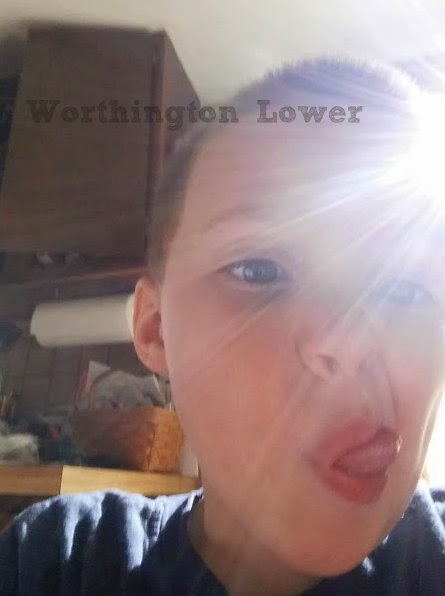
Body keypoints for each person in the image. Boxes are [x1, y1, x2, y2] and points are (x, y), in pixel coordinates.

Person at [1, 58, 444, 596]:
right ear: (156, 329)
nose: (352, 339)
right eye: (259, 270)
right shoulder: (60, 560)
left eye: (405, 288)